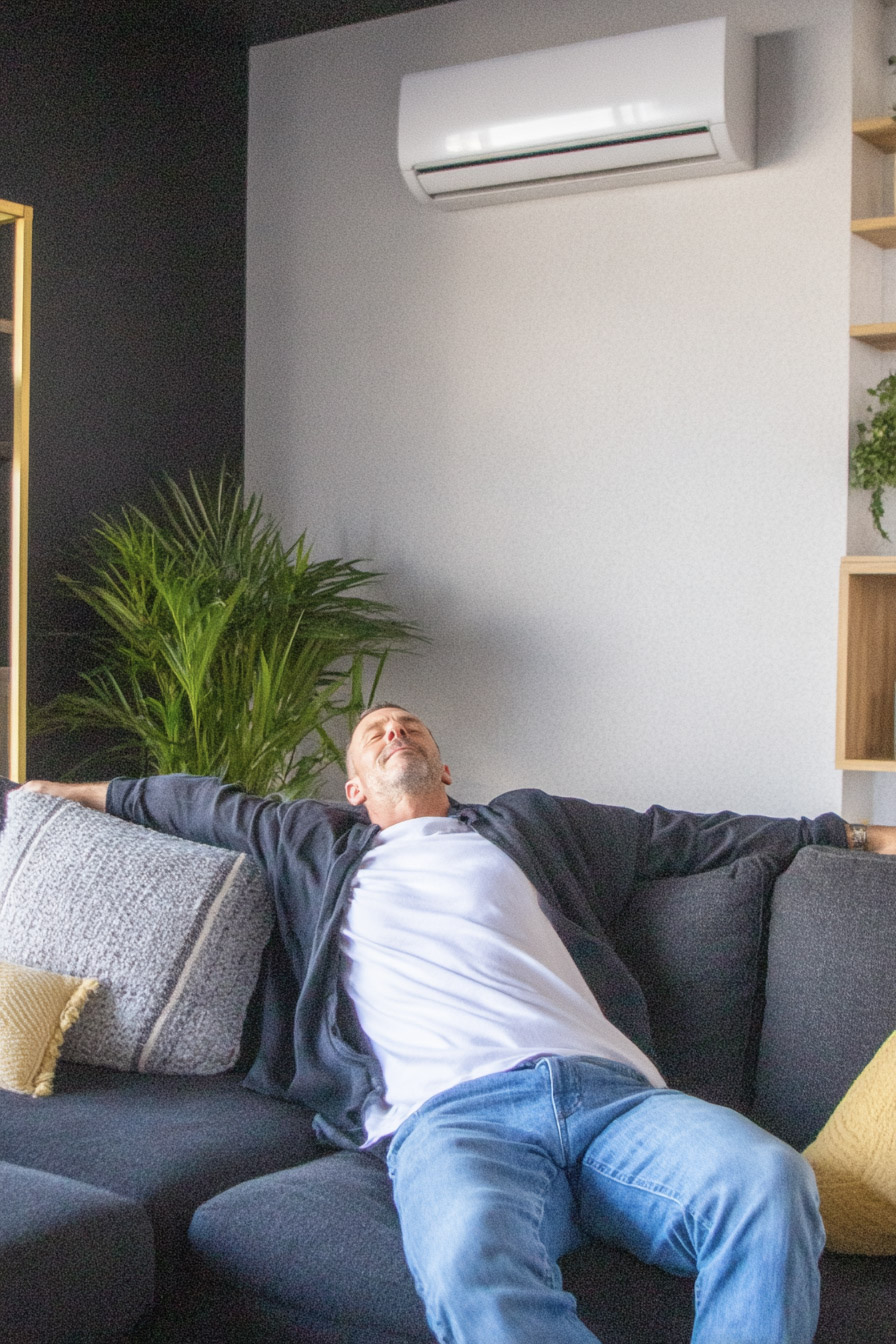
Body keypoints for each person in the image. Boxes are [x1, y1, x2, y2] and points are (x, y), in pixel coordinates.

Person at [23, 705, 896, 1344]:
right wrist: (44, 793)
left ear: (446, 773)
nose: (395, 730)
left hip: (616, 1103)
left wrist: (851, 835)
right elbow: (187, 804)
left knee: (768, 1180)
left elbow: (686, 835)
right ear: (353, 788)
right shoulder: (312, 846)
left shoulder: (530, 825)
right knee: (471, 1256)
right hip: (450, 1120)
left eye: (413, 728)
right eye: (375, 733)